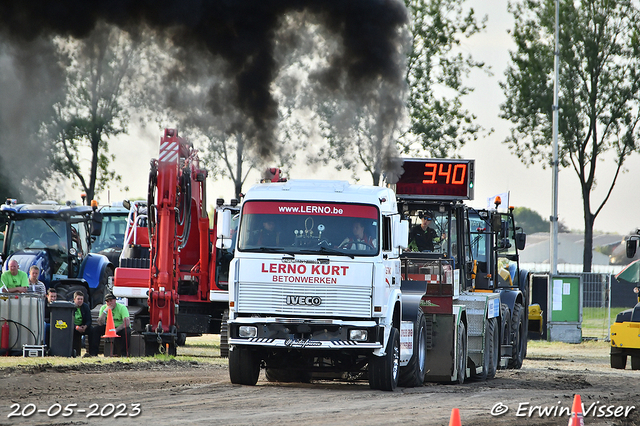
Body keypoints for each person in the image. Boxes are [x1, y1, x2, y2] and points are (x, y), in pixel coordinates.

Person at [72, 291, 92, 357]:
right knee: (73, 333)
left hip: (83, 326)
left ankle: (91, 352)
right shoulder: (70, 307)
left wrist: (85, 326)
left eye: (81, 299)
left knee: (92, 330)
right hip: (73, 327)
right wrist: (76, 327)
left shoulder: (85, 306)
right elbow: (68, 321)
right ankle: (75, 353)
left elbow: (89, 320)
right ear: (74, 299)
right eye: (78, 299)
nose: (80, 301)